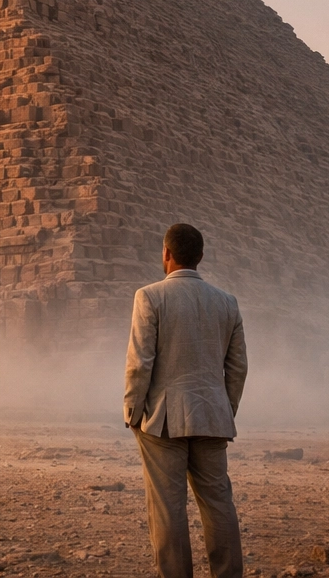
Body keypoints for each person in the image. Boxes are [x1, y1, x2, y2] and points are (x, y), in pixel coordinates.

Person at [124, 223, 248, 578]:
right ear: (201, 258)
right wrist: (224, 408)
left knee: (168, 509)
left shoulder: (149, 297)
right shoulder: (227, 302)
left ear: (166, 254)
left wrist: (133, 411)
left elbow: (139, 362)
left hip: (162, 421)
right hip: (212, 416)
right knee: (219, 505)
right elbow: (238, 366)